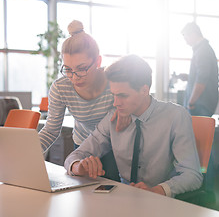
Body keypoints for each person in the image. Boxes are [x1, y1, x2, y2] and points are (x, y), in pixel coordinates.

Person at [64, 55, 203, 197]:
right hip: (124, 198)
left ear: (144, 90)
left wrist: (158, 190)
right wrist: (78, 166)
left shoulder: (176, 116)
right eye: (114, 95)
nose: (116, 103)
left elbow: (192, 175)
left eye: (123, 96)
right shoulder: (112, 118)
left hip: (161, 201)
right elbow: (75, 156)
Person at [39, 20, 129, 154]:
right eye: (68, 69)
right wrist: (28, 154)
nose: (74, 77)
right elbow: (51, 130)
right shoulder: (61, 88)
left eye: (81, 69)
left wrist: (129, 111)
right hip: (84, 146)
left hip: (117, 145)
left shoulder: (115, 80)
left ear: (98, 61)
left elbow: (141, 105)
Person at [180, 22, 219, 117]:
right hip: (201, 104)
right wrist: (190, 77)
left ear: (193, 34)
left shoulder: (202, 51)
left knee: (197, 132)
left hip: (200, 104)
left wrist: (191, 102)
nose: (186, 42)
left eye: (186, 38)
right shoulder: (202, 49)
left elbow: (202, 77)